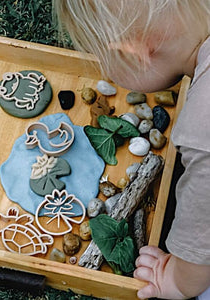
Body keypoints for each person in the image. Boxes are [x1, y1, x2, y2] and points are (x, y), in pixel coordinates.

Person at [53, 1, 210, 299]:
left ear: (132, 53)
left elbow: (204, 234)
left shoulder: (204, 133)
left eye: (103, 58)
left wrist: (178, 279)